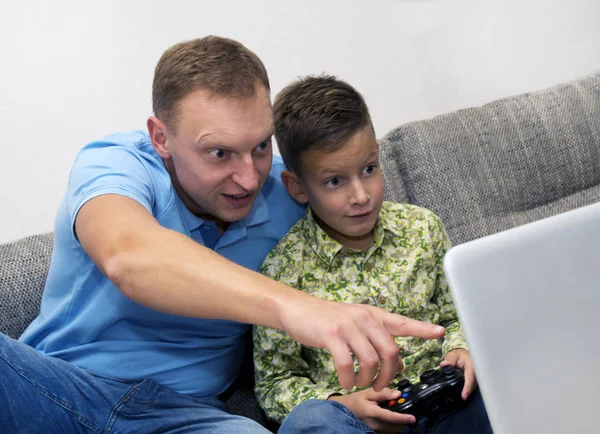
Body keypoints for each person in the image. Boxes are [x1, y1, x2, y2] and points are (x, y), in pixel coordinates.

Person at [0, 37, 445, 433]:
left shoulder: (288, 193)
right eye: (219, 153)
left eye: (260, 146)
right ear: (161, 137)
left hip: (189, 417)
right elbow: (129, 257)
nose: (249, 179)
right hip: (60, 390)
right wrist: (298, 309)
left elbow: (374, 237)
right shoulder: (116, 164)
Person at [253, 75, 493, 433]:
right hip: (362, 424)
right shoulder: (282, 272)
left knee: (508, 369)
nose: (361, 195)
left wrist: (461, 349)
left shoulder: (422, 228)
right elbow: (275, 384)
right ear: (297, 187)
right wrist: (341, 403)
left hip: (450, 408)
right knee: (310, 421)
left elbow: (458, 314)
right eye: (335, 181)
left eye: (369, 169)